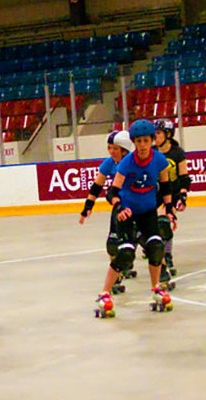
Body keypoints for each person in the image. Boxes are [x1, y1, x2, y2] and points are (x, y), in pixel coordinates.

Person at [94, 119, 176, 317]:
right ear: (134, 142)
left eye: (146, 141)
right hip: (128, 213)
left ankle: (156, 288)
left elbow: (165, 187)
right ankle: (104, 293)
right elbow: (112, 192)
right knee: (125, 254)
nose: (142, 145)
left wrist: (170, 210)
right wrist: (120, 207)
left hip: (148, 212)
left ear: (151, 141)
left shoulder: (159, 160)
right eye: (138, 141)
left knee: (156, 247)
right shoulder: (127, 162)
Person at [79, 129, 134, 294]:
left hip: (137, 207)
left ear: (125, 150)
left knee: (148, 242)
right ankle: (116, 276)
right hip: (118, 207)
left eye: (115, 148)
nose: (111, 152)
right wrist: (87, 207)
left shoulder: (133, 163)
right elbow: (97, 186)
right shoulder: (109, 163)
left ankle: (164, 267)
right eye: (109, 148)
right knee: (112, 245)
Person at [153, 118, 191, 284]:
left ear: (168, 135)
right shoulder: (152, 151)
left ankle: (167, 255)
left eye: (158, 133)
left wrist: (183, 196)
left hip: (173, 193)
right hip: (156, 193)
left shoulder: (177, 152)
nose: (155, 136)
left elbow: (184, 177)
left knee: (164, 222)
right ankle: (156, 250)